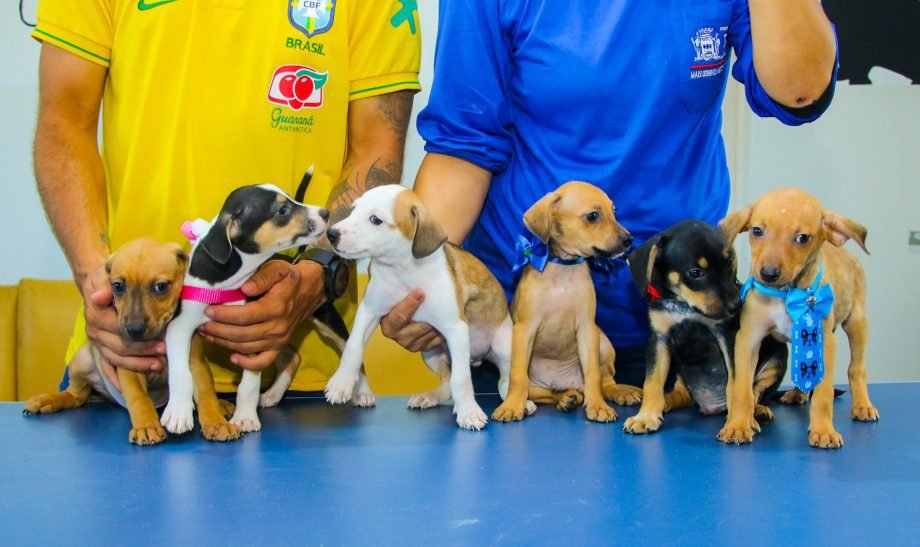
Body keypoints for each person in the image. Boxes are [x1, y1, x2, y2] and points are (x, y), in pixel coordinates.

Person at [380, 0, 838, 387]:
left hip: (682, 323)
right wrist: (418, 280)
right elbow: (463, 146)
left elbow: (800, 92)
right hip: (524, 334)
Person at [31, 0, 421, 393]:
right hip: (128, 359)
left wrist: (317, 274)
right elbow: (64, 121)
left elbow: (375, 148)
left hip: (298, 370)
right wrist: (96, 281)